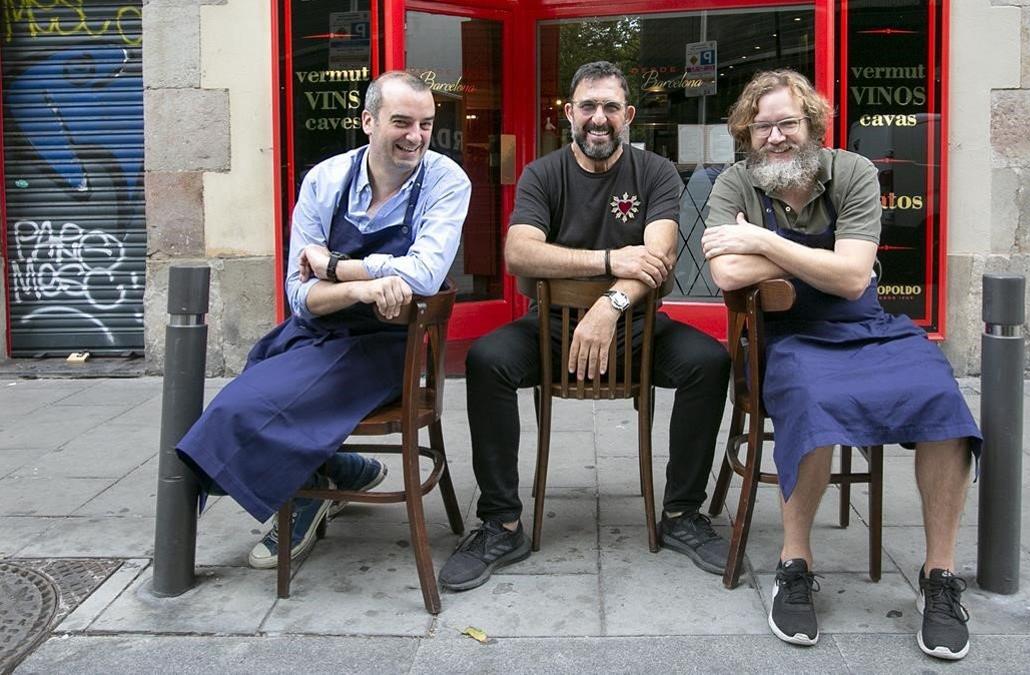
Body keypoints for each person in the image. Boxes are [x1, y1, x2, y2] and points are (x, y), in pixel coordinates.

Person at [702, 70, 982, 661]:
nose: (775, 137)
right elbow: (726, 275)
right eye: (763, 127)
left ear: (813, 126)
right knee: (814, 397)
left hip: (868, 326)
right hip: (786, 336)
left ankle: (939, 577)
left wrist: (765, 245)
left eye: (787, 123)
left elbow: (855, 278)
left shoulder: (851, 172)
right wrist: (823, 261)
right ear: (747, 134)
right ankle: (794, 564)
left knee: (942, 399)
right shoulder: (735, 182)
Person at [438, 61, 731, 592]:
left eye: (611, 108)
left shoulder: (656, 173)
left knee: (709, 363)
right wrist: (610, 260)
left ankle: (683, 512)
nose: (600, 118)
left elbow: (660, 255)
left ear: (629, 116)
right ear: (569, 113)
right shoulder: (542, 174)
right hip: (549, 330)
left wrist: (609, 306)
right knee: (486, 360)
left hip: (639, 329)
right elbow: (517, 252)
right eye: (589, 107)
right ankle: (501, 522)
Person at [176, 71, 471, 569]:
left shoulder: (446, 180)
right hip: (315, 331)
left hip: (385, 345)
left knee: (241, 411)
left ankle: (311, 494)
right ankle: (334, 473)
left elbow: (422, 276)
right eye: (401, 122)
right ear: (368, 121)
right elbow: (300, 296)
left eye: (425, 123)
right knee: (252, 384)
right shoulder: (325, 180)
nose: (415, 136)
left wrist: (333, 266)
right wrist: (364, 287)